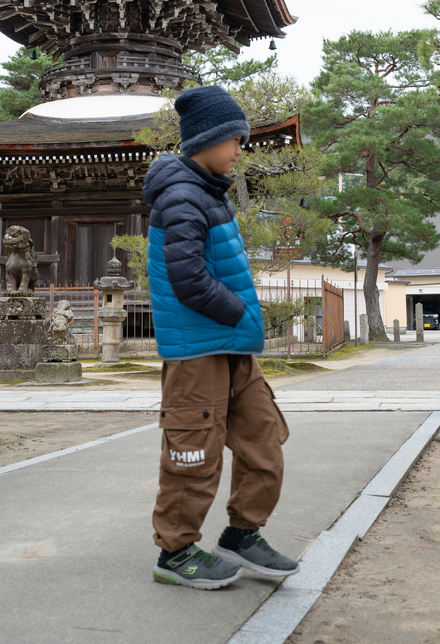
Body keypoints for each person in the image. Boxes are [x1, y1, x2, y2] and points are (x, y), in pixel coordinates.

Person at [142, 84, 299, 590]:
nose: (238, 149)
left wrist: (242, 325)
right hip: (199, 349)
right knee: (193, 453)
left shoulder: (208, 192)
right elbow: (188, 279)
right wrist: (239, 314)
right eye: (233, 138)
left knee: (264, 437)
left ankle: (242, 534)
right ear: (205, 139)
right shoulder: (183, 195)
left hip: (231, 346)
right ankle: (177, 551)